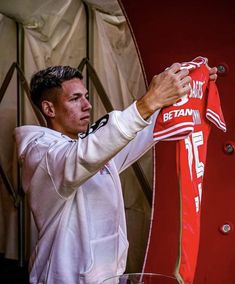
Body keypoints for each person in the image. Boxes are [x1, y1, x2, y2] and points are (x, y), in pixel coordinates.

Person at [14, 62, 217, 284]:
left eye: (86, 96)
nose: (87, 105)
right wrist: (149, 102)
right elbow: (83, 156)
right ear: (49, 109)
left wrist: (187, 84)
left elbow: (137, 129)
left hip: (108, 277)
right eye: (75, 99)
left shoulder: (93, 145)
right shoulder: (41, 153)